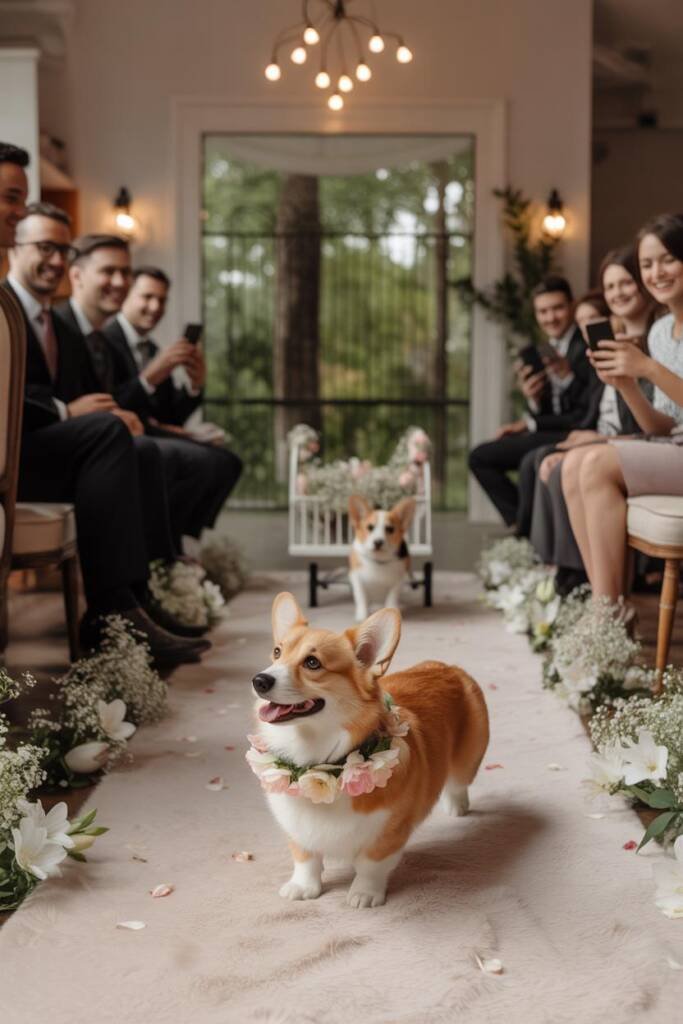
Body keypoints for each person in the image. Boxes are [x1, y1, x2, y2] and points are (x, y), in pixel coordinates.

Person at [0, 146, 207, 665]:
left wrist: (117, 412)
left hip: (45, 451)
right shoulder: (9, 308)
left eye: (62, 252)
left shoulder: (56, 325)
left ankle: (141, 599)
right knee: (110, 434)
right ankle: (110, 611)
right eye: (43, 247)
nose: (54, 261)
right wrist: (76, 413)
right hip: (17, 454)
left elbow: (93, 395)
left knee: (138, 448)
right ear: (19, 246)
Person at [562, 213, 683, 607]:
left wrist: (648, 367)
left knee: (596, 464)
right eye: (647, 265)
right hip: (674, 449)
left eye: (667, 259)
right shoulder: (662, 332)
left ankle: (608, 615)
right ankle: (607, 610)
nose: (656, 272)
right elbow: (662, 427)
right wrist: (627, 385)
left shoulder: (656, 345)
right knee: (574, 463)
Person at [530, 251, 656, 591]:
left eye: (626, 282)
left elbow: (648, 427)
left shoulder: (651, 342)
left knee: (570, 462)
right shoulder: (614, 345)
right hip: (632, 438)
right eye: (610, 285)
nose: (618, 292)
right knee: (551, 460)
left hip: (648, 443)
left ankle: (584, 584)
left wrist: (592, 440)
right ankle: (574, 579)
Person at [102, 264, 243, 544]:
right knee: (199, 460)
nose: (155, 306)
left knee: (229, 462)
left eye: (162, 300)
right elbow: (111, 404)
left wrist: (195, 384)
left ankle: (175, 538)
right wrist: (151, 375)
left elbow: (171, 415)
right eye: (147, 297)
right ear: (127, 295)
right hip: (121, 438)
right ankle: (163, 547)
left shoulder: (154, 349)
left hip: (155, 434)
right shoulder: (105, 340)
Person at [468, 275, 598, 528]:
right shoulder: (543, 350)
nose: (551, 318)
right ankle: (523, 526)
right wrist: (534, 399)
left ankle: (525, 532)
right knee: (481, 457)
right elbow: (550, 407)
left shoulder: (586, 345)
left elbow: (586, 410)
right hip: (550, 429)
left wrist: (566, 376)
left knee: (512, 460)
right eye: (543, 311)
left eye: (557, 308)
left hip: (575, 432)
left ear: (571, 306)